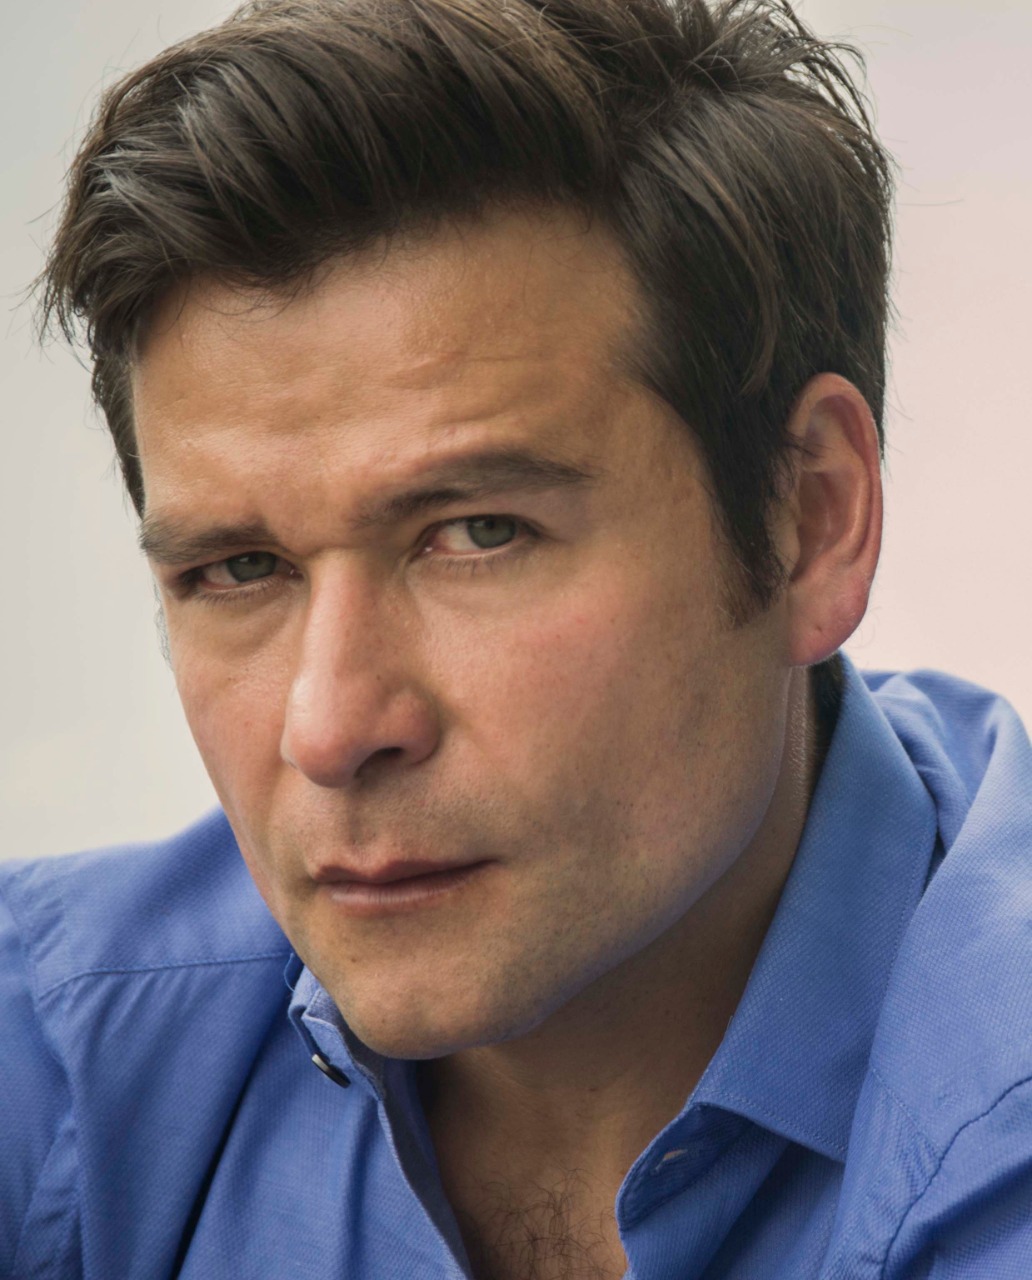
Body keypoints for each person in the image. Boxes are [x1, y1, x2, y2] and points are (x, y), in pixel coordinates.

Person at [2, 0, 1030, 1275]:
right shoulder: (67, 1055)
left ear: (811, 519)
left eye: (478, 533)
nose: (330, 727)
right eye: (240, 568)